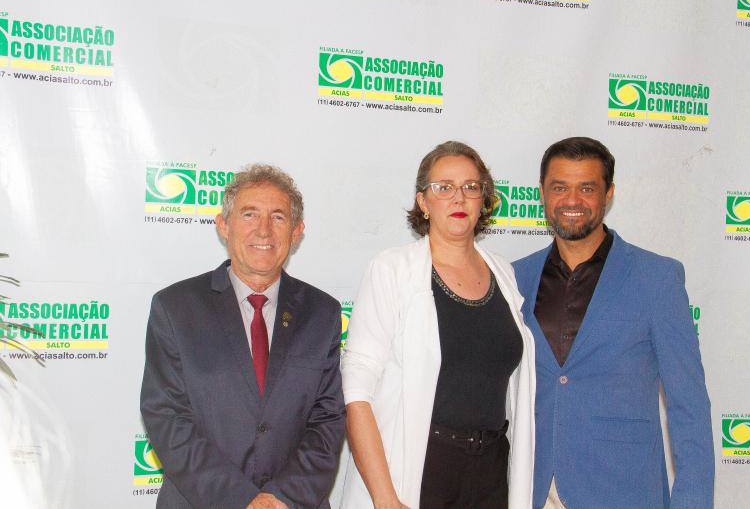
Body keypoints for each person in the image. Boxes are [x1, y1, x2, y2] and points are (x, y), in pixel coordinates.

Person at [513, 137, 714, 509]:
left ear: (609, 194)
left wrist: (693, 501)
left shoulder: (657, 278)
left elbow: (689, 405)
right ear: (542, 193)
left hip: (623, 491)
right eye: (560, 187)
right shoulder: (514, 278)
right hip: (532, 491)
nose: (572, 200)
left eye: (587, 188)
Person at [339, 141, 535, 509]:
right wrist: (385, 498)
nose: (459, 198)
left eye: (471, 187)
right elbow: (356, 390)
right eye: (444, 187)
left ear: (484, 200)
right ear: (423, 202)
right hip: (419, 472)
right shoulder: (393, 270)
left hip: (491, 474)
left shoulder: (504, 273)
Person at [140, 164, 345, 509]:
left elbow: (327, 420)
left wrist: (281, 498)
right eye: (249, 214)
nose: (264, 230)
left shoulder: (322, 313)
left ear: (297, 231)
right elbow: (167, 417)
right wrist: (242, 500)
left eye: (278, 217)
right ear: (223, 225)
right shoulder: (175, 308)